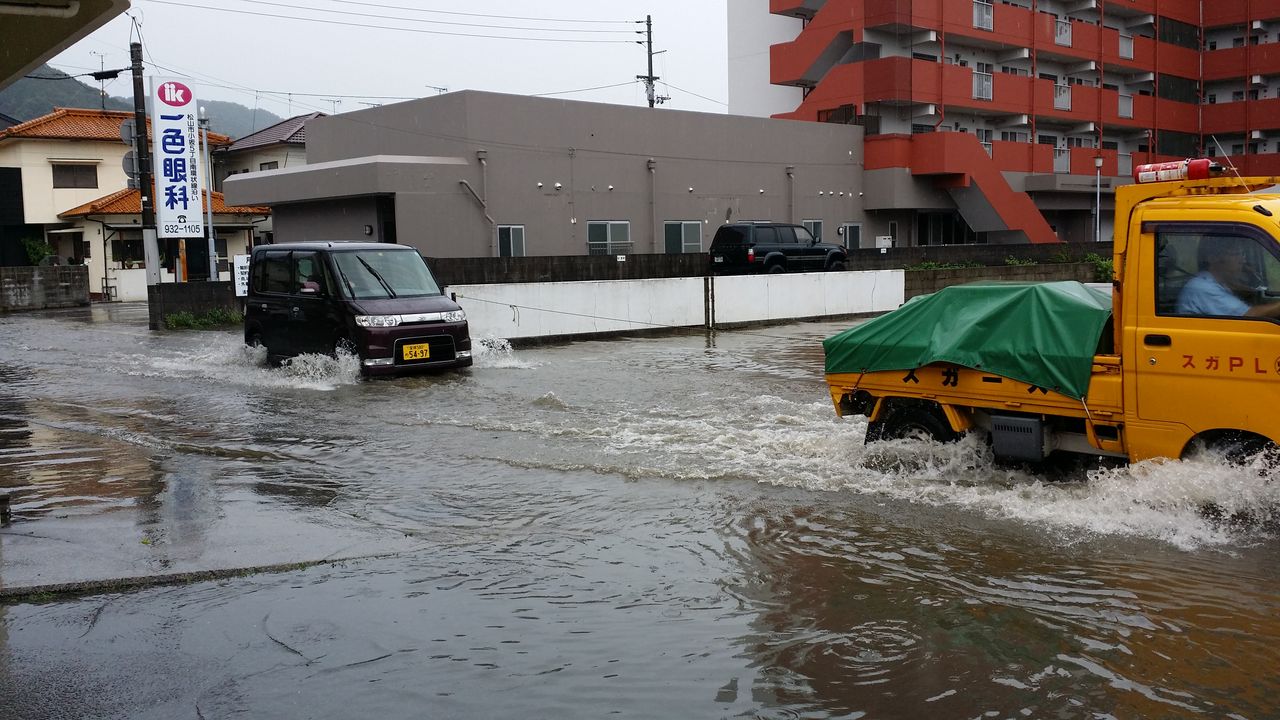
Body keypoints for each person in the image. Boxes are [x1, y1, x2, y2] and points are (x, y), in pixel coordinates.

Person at [1177, 236, 1280, 318]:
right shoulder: (1202, 288)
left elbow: (1245, 292)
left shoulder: (1218, 281)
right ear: (1213, 258)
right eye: (1236, 254)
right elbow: (1247, 315)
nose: (1242, 261)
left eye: (1243, 254)